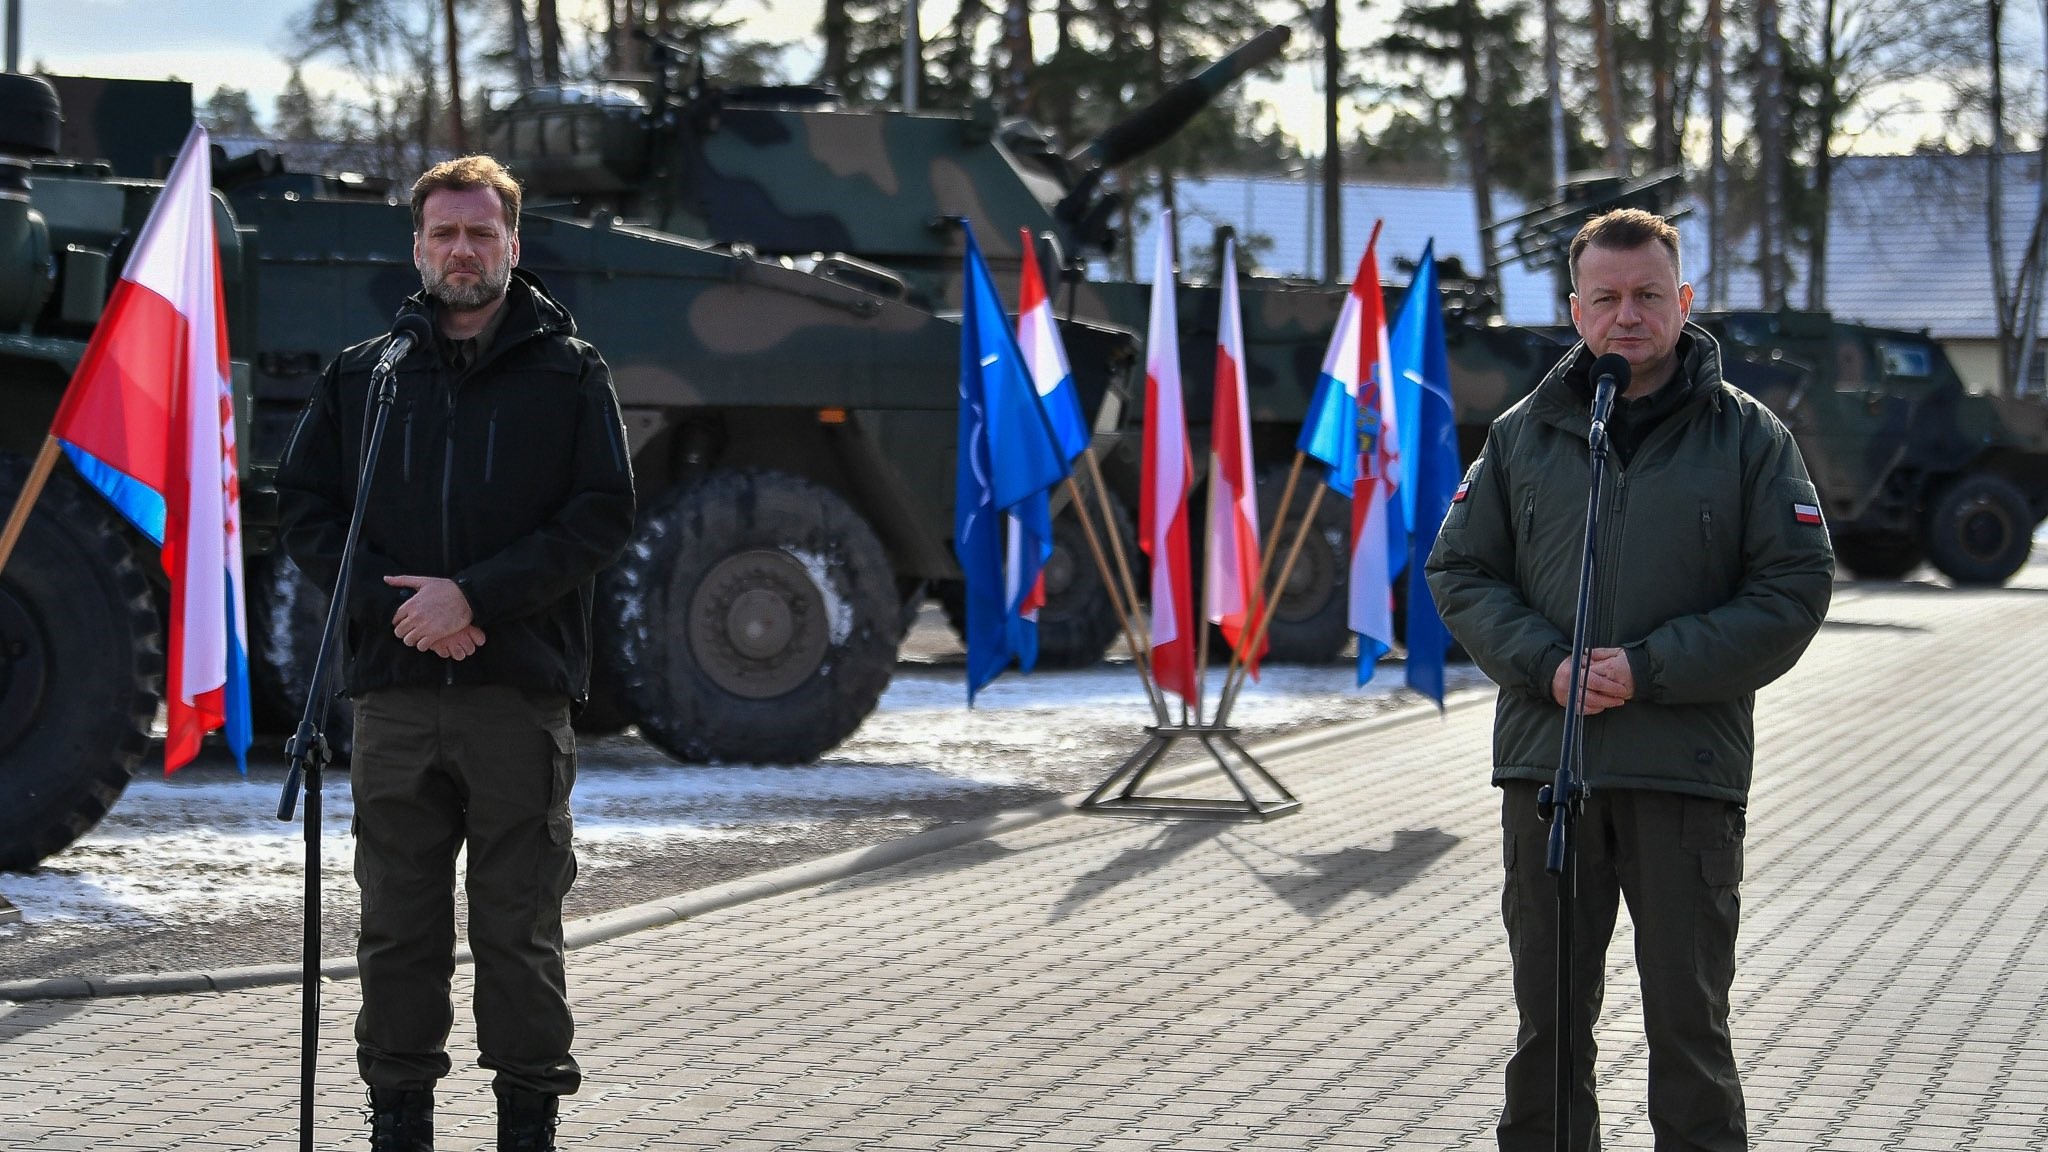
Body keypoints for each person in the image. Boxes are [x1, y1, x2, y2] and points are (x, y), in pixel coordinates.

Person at [1424, 208, 1834, 1151]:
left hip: (1682, 774)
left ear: (1684, 302)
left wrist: (1648, 670)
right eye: (1605, 299)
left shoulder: (1748, 439)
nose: (1628, 317)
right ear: (1574, 310)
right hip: (1550, 776)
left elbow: (1794, 586)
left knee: (1689, 1035)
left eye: (1649, 295)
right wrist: (1548, 664)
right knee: (1548, 1034)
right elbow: (1460, 570)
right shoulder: (1526, 435)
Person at [277, 155, 635, 1152]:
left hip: (515, 697)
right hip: (393, 699)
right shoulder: (366, 377)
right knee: (396, 931)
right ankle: (401, 1123)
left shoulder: (571, 374)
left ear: (514, 247)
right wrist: (402, 609)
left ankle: (527, 1125)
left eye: (481, 233)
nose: (462, 251)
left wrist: (474, 597)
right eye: (444, 234)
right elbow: (306, 513)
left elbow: (601, 517)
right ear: (418, 248)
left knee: (516, 932)